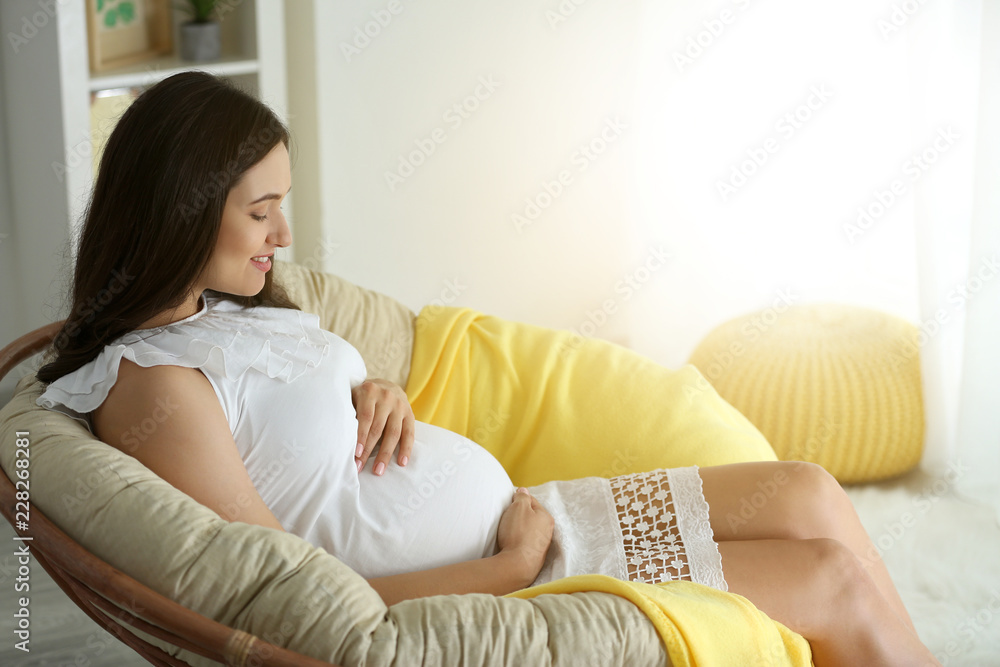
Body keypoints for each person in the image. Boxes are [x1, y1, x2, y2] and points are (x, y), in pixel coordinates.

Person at [34, 71, 938, 667]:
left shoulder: (233, 309)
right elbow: (292, 604)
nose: (285, 235)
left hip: (538, 517)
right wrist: (509, 566)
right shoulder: (153, 385)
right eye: (262, 211)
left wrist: (369, 387)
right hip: (507, 582)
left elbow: (296, 420)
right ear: (183, 211)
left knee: (807, 489)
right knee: (833, 578)